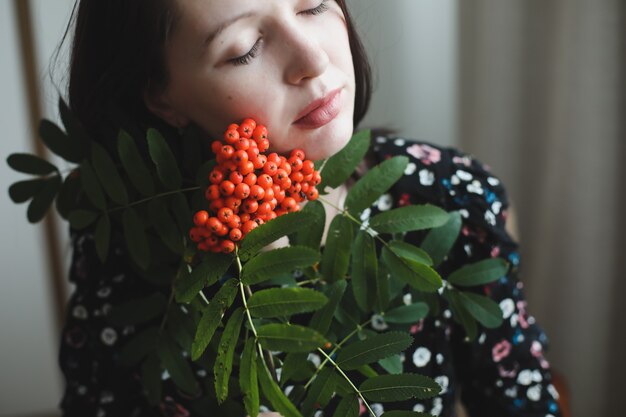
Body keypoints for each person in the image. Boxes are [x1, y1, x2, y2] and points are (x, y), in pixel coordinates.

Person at [56, 1, 563, 416]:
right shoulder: (129, 227)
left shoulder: (451, 200)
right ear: (162, 97)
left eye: (314, 5)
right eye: (245, 50)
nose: (313, 59)